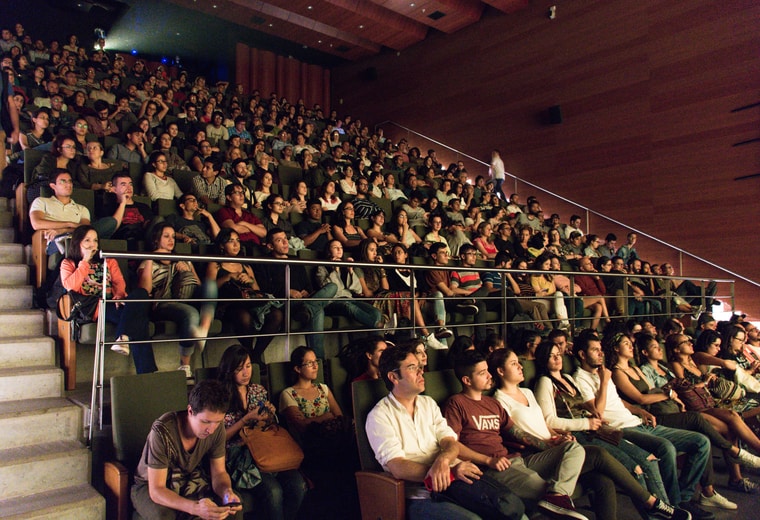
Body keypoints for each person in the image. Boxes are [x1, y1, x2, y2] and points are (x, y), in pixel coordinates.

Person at [365, 344, 526, 520]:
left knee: (511, 507)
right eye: (412, 368)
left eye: (420, 367)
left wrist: (443, 460)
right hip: (419, 495)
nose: (421, 372)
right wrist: (449, 472)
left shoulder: (428, 404)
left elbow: (450, 441)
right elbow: (397, 466)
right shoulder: (379, 416)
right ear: (394, 376)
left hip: (456, 481)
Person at [572, 333, 715, 519]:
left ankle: (682, 499)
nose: (601, 354)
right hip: (620, 429)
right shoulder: (580, 378)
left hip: (637, 421)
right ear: (582, 355)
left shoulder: (602, 372)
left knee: (701, 442)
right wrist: (604, 382)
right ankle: (673, 506)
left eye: (601, 349)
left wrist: (640, 411)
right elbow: (598, 412)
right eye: (595, 350)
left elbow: (620, 402)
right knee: (665, 448)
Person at [446, 350, 588, 519]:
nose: (489, 376)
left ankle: (557, 497)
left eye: (488, 371)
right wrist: (488, 460)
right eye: (482, 373)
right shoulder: (456, 403)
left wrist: (551, 445)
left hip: (516, 460)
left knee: (573, 448)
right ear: (467, 380)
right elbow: (452, 445)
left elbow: (517, 433)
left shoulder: (492, 403)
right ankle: (554, 500)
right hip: (492, 469)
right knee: (541, 488)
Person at [637, 333, 760, 495]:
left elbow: (695, 369)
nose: (690, 343)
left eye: (689, 340)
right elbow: (682, 388)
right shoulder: (672, 365)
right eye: (685, 342)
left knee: (732, 422)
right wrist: (702, 383)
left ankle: (736, 476)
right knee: (730, 419)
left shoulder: (673, 365)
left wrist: (708, 378)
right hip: (691, 408)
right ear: (675, 349)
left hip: (704, 402)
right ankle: (735, 472)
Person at [131, 379, 243, 519]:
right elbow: (157, 490)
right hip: (150, 486)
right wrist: (194, 508)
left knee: (230, 509)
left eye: (218, 422)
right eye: (205, 422)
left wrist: (227, 492)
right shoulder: (162, 431)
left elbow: (219, 473)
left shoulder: (216, 428)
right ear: (190, 411)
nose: (211, 429)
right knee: (164, 515)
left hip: (188, 477)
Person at [217, 345, 307, 520]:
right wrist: (245, 420)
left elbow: (270, 427)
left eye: (249, 366)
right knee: (273, 491)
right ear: (229, 371)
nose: (246, 372)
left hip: (266, 448)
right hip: (239, 457)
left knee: (298, 484)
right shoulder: (220, 397)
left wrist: (269, 416)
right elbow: (218, 439)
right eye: (239, 368)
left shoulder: (258, 391)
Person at [60, 225, 156, 373]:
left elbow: (119, 282)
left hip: (114, 303)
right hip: (95, 307)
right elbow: (70, 285)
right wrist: (85, 261)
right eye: (87, 240)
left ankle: (122, 338)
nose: (92, 245)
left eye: (95, 240)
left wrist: (119, 294)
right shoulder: (69, 263)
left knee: (141, 293)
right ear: (77, 243)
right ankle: (148, 373)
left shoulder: (108, 260)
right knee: (140, 320)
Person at [138, 224, 213, 379]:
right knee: (191, 314)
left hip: (187, 296)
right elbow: (144, 290)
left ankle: (203, 329)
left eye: (173, 236)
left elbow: (198, 286)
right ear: (156, 239)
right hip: (163, 303)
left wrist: (187, 269)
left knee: (210, 286)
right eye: (166, 236)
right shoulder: (148, 261)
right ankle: (185, 366)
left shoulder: (182, 258)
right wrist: (152, 257)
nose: (171, 240)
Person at [254, 228, 338, 359]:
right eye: (279, 240)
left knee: (332, 287)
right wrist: (288, 292)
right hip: (284, 302)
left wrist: (306, 292)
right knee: (318, 310)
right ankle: (320, 360)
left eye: (285, 239)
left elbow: (307, 285)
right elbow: (265, 288)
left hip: (302, 302)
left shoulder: (295, 259)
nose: (285, 242)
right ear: (270, 246)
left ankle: (308, 308)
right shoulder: (265, 262)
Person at [206, 229, 284, 363]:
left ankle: (254, 355)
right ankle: (250, 354)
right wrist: (228, 277)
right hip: (227, 305)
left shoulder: (245, 265)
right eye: (231, 241)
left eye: (238, 241)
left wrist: (250, 280)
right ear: (221, 245)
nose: (236, 245)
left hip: (249, 302)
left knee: (276, 315)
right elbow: (208, 289)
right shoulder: (215, 264)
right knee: (244, 317)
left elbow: (257, 291)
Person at [315, 239, 385, 331]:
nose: (339, 250)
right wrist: (334, 271)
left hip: (350, 299)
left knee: (375, 312)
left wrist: (350, 271)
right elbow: (324, 287)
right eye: (335, 247)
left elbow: (358, 290)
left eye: (341, 247)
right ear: (328, 251)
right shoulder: (322, 267)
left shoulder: (345, 266)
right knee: (348, 306)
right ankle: (381, 326)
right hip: (332, 302)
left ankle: (375, 341)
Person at [215, 184, 266, 251]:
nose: (241, 195)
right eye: (237, 193)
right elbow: (234, 228)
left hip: (256, 247)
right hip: (238, 247)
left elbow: (263, 232)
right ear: (229, 197)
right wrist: (254, 229)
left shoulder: (249, 214)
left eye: (242, 192)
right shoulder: (224, 211)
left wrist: (244, 223)